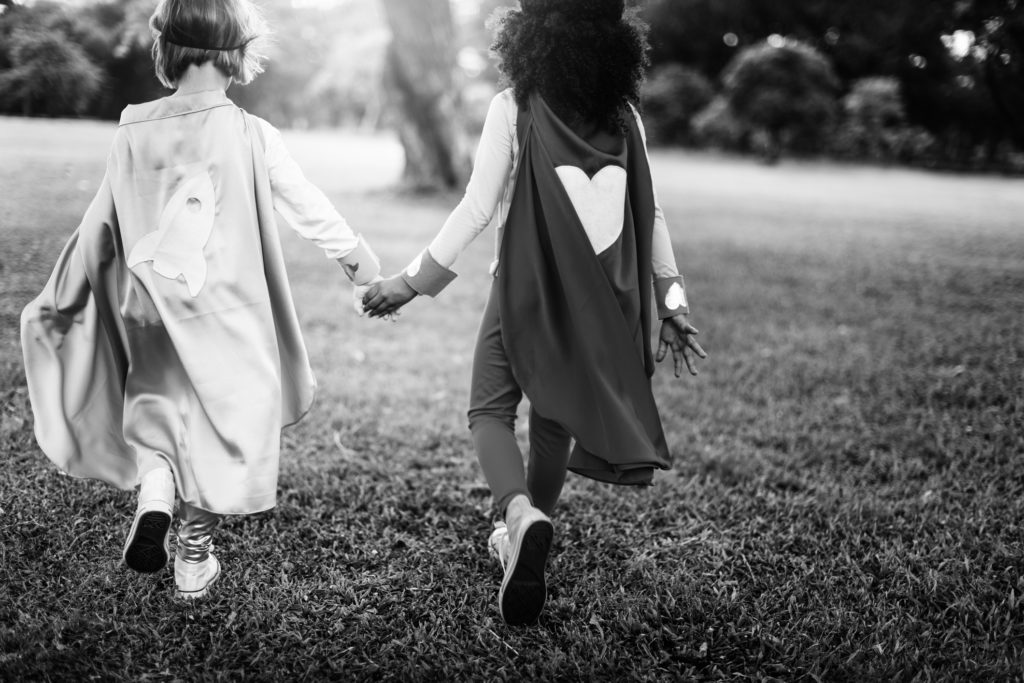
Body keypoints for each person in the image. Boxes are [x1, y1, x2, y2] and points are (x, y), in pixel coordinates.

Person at [20, 0, 382, 600]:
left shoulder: (133, 125)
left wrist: (68, 291)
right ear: (239, 54)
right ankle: (192, 557)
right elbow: (307, 204)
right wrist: (360, 267)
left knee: (159, 404)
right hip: (228, 315)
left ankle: (156, 490)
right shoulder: (250, 133)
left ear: (165, 51)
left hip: (151, 309)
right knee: (226, 422)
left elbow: (100, 223)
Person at [361, 0, 707, 625]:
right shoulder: (625, 117)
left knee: (490, 407)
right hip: (602, 301)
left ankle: (518, 515)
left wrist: (412, 282)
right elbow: (649, 213)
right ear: (614, 39)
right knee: (554, 422)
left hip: (523, 289)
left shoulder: (513, 106)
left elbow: (475, 208)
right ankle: (529, 536)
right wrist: (672, 302)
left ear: (528, 34)